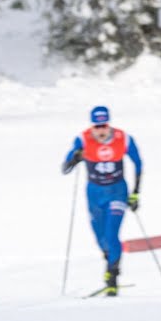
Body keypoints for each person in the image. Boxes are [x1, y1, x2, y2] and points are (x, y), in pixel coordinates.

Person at [61, 105, 143, 296]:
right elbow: (64, 168)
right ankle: (110, 260)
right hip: (94, 194)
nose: (101, 131)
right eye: (96, 127)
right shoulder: (83, 139)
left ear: (109, 124)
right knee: (101, 238)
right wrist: (74, 159)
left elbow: (138, 163)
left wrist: (136, 192)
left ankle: (112, 277)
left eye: (104, 126)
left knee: (112, 233)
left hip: (117, 191)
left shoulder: (123, 139)